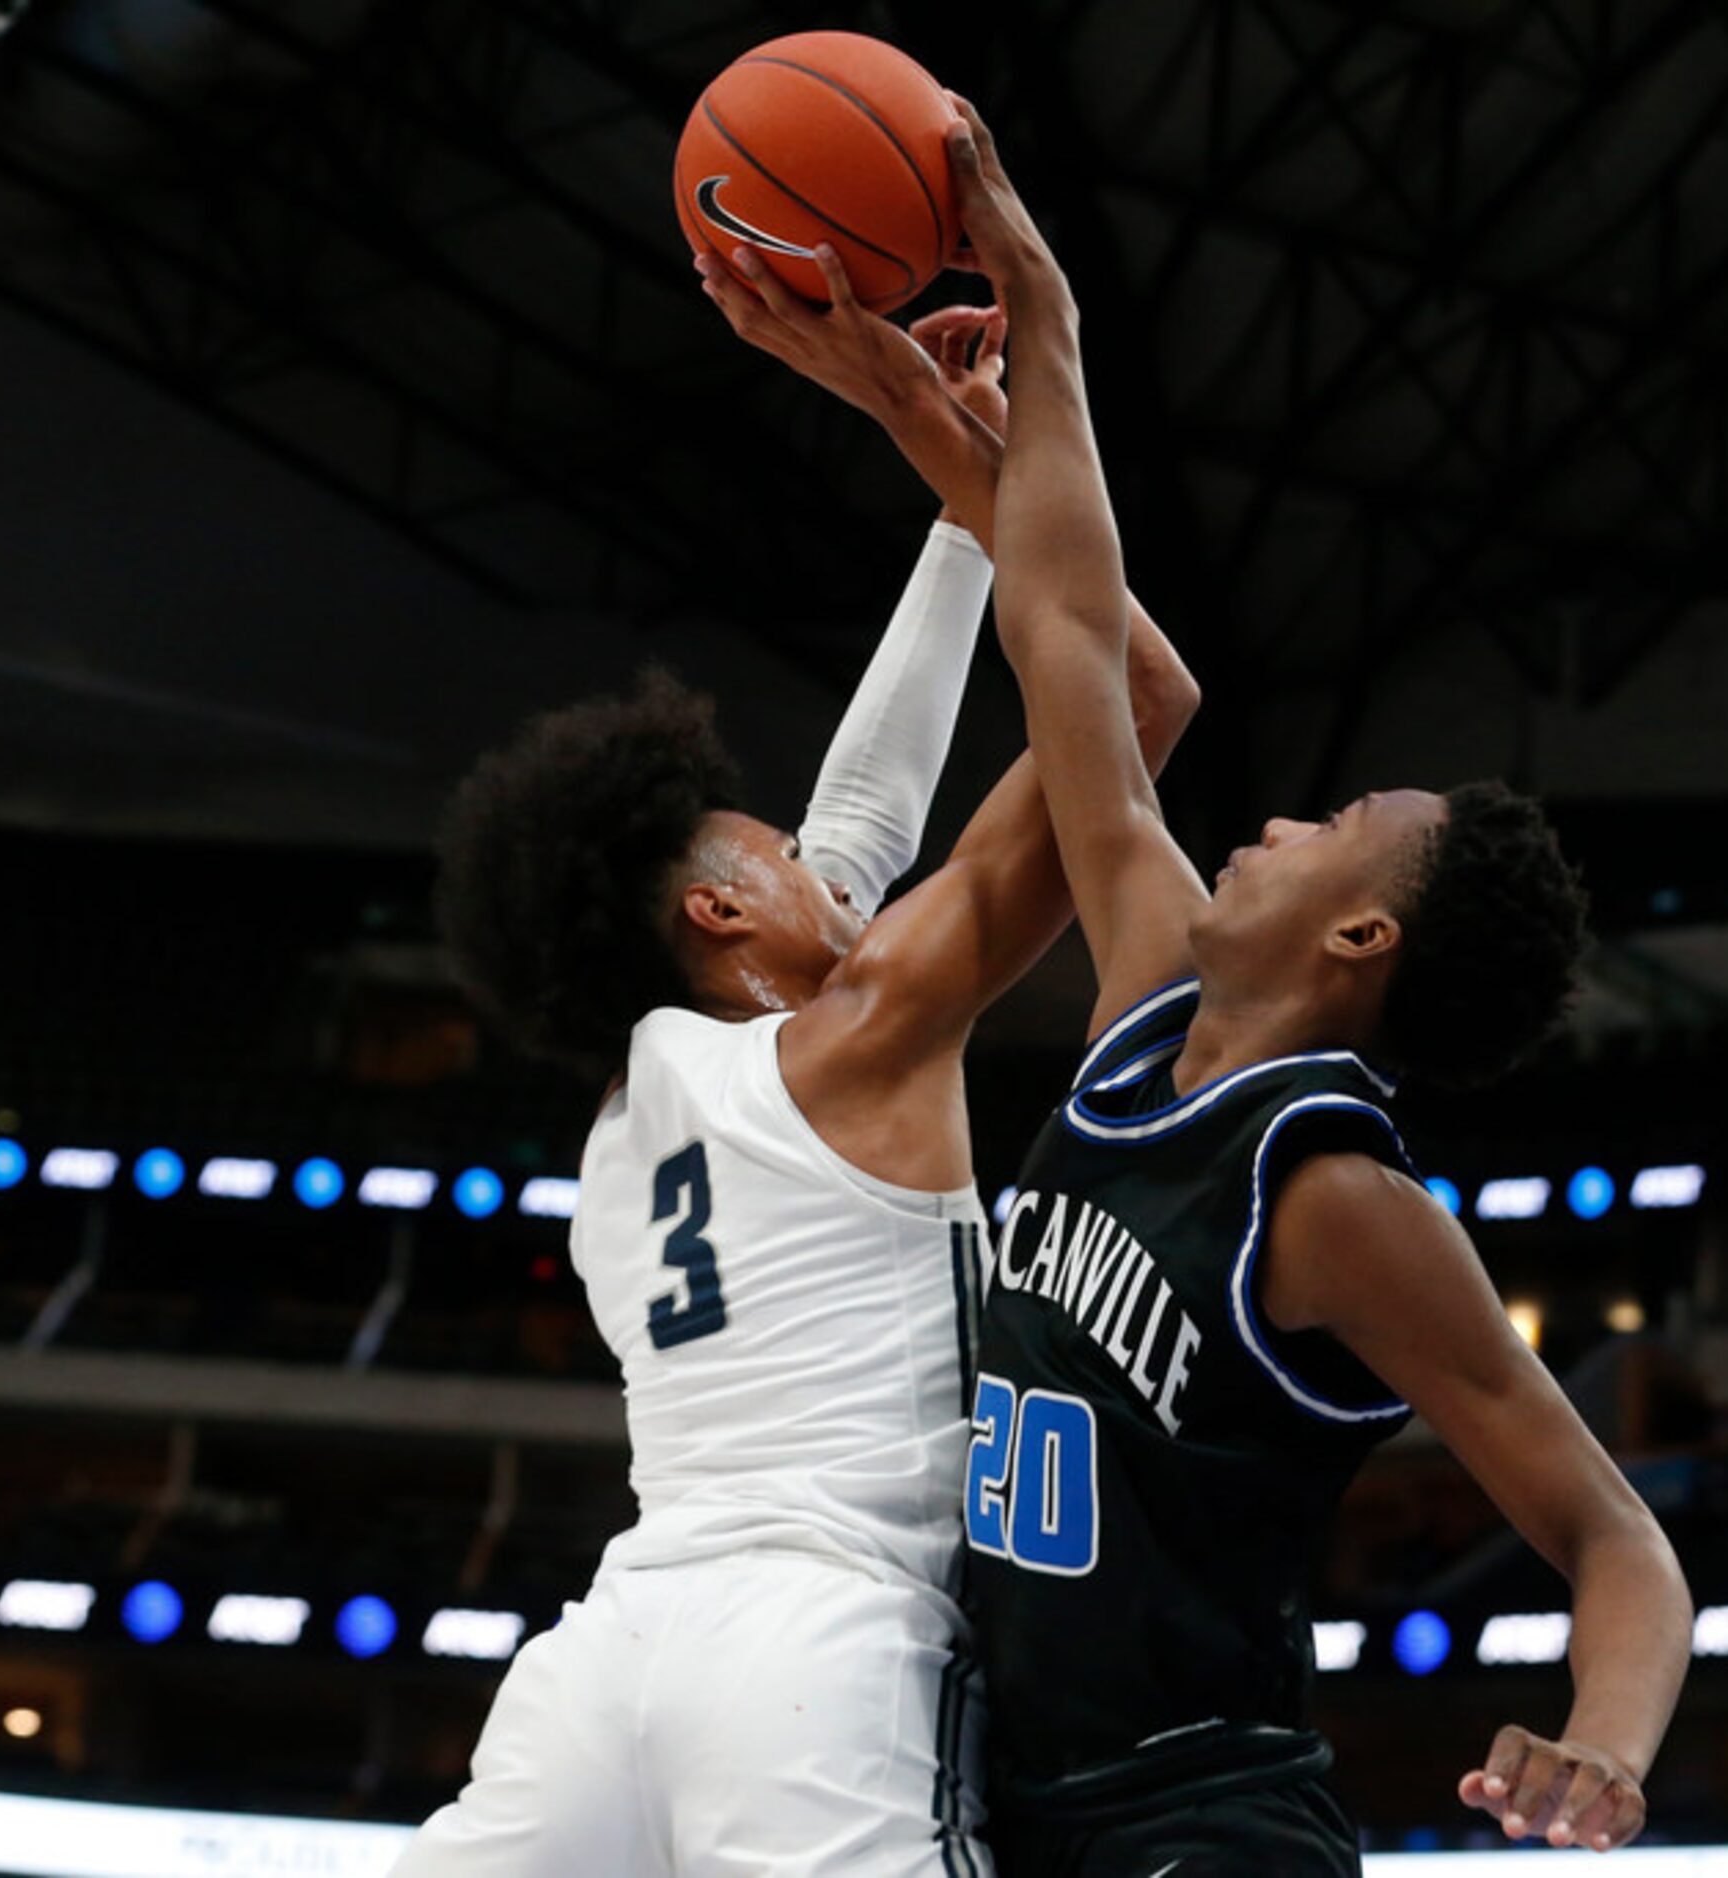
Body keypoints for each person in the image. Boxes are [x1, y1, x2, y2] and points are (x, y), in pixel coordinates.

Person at [943, 99, 1694, 1873]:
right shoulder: (1143, 1008)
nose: (1276, 819)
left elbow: (1617, 1542)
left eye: (1337, 822)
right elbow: (1063, 627)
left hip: (1199, 1820)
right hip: (1003, 1794)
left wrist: (1601, 1749)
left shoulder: (1335, 1191)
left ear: (1363, 939)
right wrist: (1028, 323)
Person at [401, 270, 1198, 1877]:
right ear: (722, 909)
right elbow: (1138, 702)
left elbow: (866, 812)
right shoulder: (869, 1025)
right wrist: (954, 431)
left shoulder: (631, 1111)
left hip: (612, 1651)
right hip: (815, 1647)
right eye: (789, 859)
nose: (840, 870)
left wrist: (961, 529)